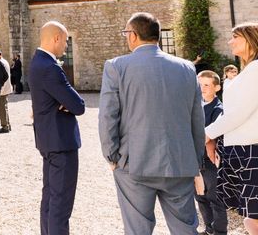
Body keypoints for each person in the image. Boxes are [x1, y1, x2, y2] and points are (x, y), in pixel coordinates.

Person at [99, 12, 204, 235]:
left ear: (134, 35)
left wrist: (112, 157)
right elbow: (197, 118)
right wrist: (194, 160)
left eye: (126, 33)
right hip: (179, 162)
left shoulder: (116, 66)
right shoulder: (187, 68)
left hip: (134, 163)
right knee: (185, 229)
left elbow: (108, 116)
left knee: (138, 230)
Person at [29, 21, 85, 235]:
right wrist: (67, 103)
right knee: (61, 205)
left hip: (47, 139)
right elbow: (78, 105)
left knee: (50, 199)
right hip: (61, 142)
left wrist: (65, 102)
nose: (66, 46)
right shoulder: (50, 67)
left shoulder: (37, 62)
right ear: (56, 38)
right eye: (65, 40)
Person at [205, 23, 258, 235]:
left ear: (250, 39)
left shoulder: (255, 70)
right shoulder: (249, 69)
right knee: (250, 218)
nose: (230, 41)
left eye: (235, 37)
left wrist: (207, 134)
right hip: (242, 151)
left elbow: (238, 113)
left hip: (251, 152)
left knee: (252, 220)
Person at [195, 70, 227, 235]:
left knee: (215, 198)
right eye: (200, 85)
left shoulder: (218, 109)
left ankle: (220, 231)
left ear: (217, 87)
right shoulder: (194, 106)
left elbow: (210, 134)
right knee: (200, 196)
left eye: (207, 85)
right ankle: (209, 229)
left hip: (210, 160)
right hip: (195, 159)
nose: (202, 88)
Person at [0, 49, 12, 134]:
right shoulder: (4, 61)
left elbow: (1, 77)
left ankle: (5, 126)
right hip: (5, 88)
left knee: (2, 108)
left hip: (2, 89)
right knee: (4, 107)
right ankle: (7, 125)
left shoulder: (1, 63)